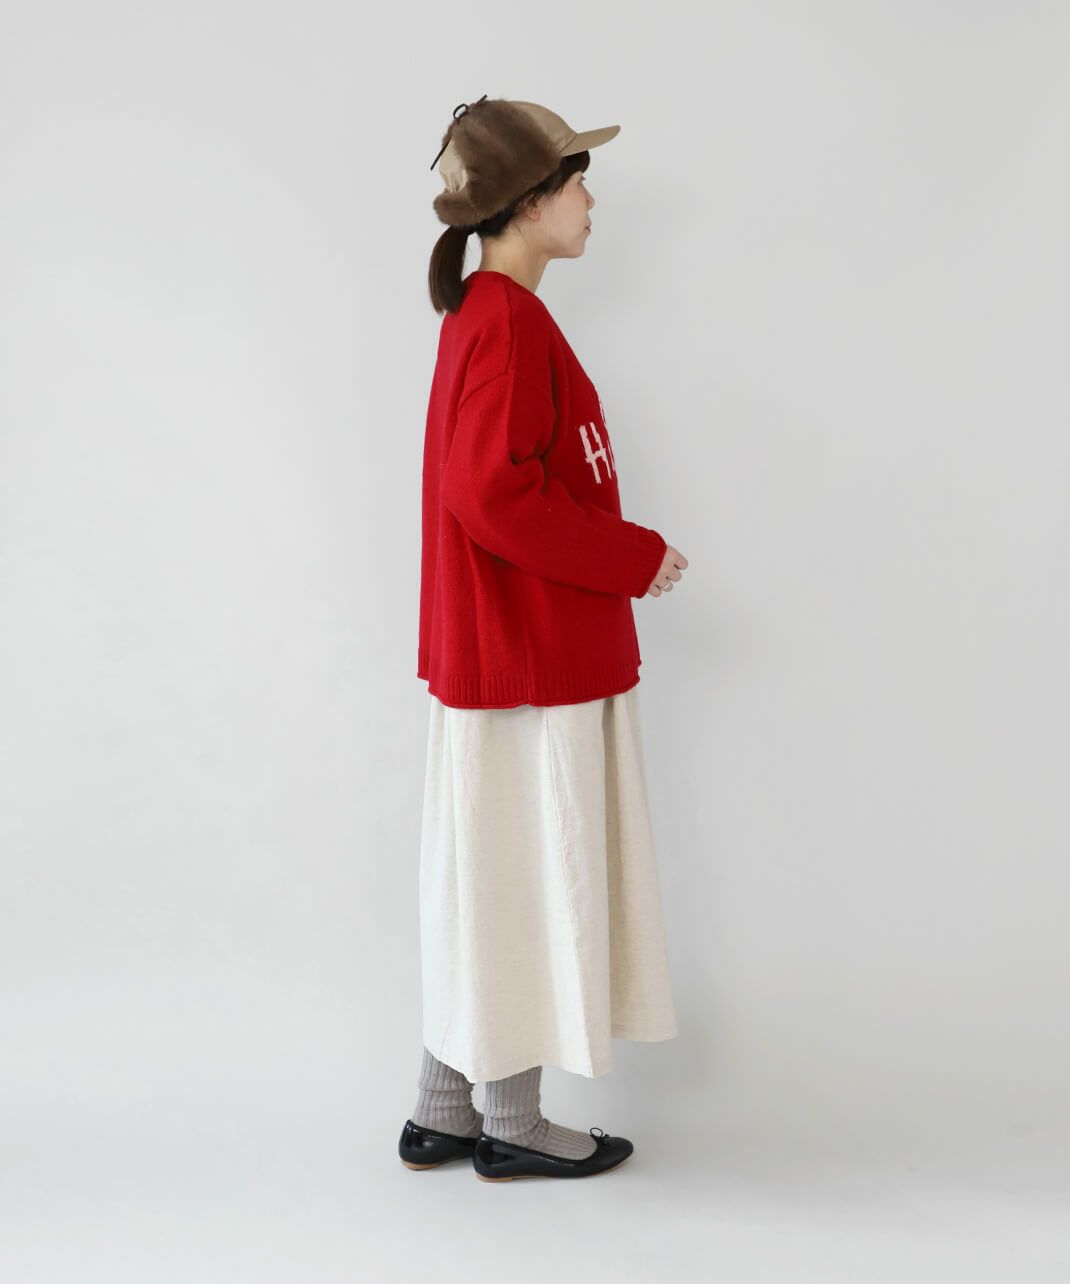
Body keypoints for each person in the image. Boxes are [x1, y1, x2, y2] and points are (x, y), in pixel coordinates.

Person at [397, 96, 688, 1182]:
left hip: (507, 655)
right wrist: (631, 556)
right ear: (527, 204)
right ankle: (511, 1125)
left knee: (490, 872)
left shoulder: (487, 314)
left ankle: (443, 1107)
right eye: (575, 182)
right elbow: (490, 495)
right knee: (520, 879)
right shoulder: (507, 322)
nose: (590, 201)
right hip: (527, 663)